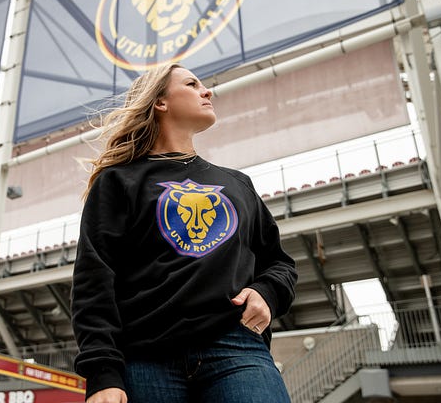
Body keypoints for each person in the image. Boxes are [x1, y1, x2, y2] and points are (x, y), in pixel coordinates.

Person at [71, 63, 297, 403]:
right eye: (193, 84)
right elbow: (94, 280)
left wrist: (267, 291)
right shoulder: (118, 182)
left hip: (236, 347)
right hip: (144, 356)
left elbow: (278, 262)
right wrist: (103, 372)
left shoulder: (237, 184)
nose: (207, 91)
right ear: (160, 102)